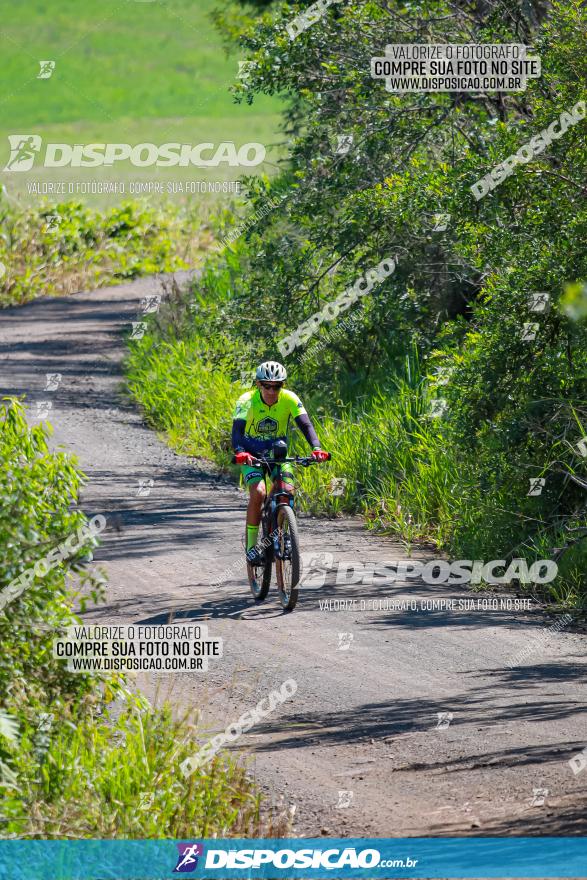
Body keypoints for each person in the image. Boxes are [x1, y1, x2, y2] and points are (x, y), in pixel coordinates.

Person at [232, 361, 329, 564]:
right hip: (252, 455)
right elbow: (237, 431)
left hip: (278, 453)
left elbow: (305, 424)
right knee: (258, 492)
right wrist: (240, 452)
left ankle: (284, 532)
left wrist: (317, 448)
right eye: (267, 385)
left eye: (277, 386)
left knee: (288, 489)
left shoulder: (289, 398)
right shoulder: (246, 400)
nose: (271, 391)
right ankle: (251, 547)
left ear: (282, 386)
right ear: (258, 384)